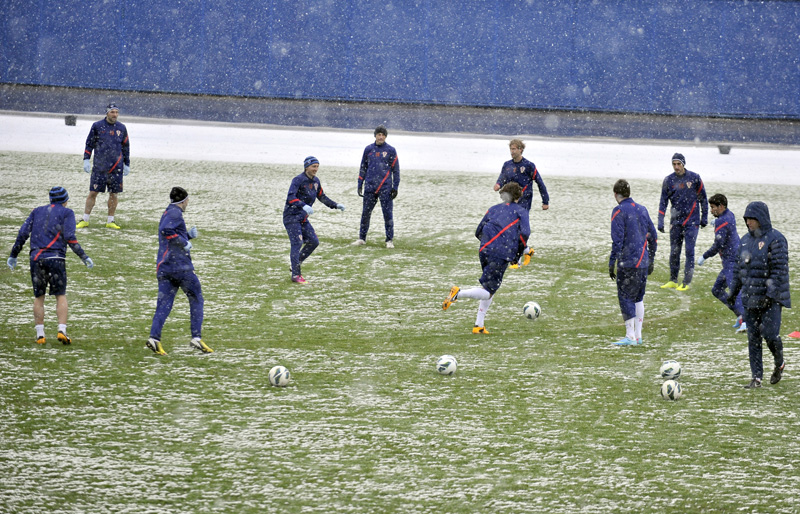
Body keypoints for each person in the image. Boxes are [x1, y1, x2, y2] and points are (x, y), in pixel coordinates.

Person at [7, 187, 94, 345]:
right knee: (60, 294)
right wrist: (83, 256)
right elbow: (69, 237)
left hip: (36, 258)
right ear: (65, 200)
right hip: (56, 259)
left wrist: (14, 254)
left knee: (39, 297)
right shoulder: (67, 213)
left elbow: (23, 233)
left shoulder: (37, 211)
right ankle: (62, 330)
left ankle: (40, 335)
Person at [442, 183, 530, 334]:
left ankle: (479, 325)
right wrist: (517, 252)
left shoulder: (493, 209)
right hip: (501, 253)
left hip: (485, 250)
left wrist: (489, 243)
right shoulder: (521, 211)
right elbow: (525, 234)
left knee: (489, 287)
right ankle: (458, 293)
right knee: (488, 291)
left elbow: (478, 231)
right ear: (518, 196)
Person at [727, 201, 790, 389]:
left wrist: (769, 296)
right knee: (753, 339)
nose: (748, 223)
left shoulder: (776, 239)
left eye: (752, 219)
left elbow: (779, 271)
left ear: (761, 218)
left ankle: (779, 362)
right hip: (750, 298)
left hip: (770, 300)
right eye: (746, 219)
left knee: (770, 335)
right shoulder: (745, 240)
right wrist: (734, 292)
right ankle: (756, 378)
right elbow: (740, 269)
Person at [146, 187, 213, 356]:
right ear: (183, 201)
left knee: (164, 304)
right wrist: (184, 242)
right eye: (187, 200)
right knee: (197, 297)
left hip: (164, 267)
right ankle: (196, 337)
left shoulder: (168, 212)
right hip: (180, 267)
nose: (188, 203)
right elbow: (166, 231)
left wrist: (187, 236)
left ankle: (154, 338)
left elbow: (170, 234)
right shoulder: (175, 213)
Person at [608, 179, 657, 345]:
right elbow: (653, 236)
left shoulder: (619, 211)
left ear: (616, 194)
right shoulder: (642, 209)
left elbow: (617, 240)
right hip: (642, 261)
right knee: (638, 298)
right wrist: (651, 258)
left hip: (628, 262)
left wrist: (612, 262)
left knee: (625, 296)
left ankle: (630, 336)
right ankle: (638, 335)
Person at [283, 156, 345, 284]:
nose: (315, 169)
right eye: (313, 166)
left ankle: (296, 263)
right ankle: (296, 275)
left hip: (303, 218)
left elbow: (322, 197)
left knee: (314, 241)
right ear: (306, 167)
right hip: (291, 216)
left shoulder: (316, 181)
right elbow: (290, 197)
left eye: (317, 166)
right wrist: (303, 205)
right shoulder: (298, 180)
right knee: (297, 243)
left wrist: (335, 205)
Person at [657, 152, 708, 291]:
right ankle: (673, 280)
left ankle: (686, 282)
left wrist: (704, 217)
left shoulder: (694, 178)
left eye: (678, 164)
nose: (676, 167)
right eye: (674, 164)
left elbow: (703, 198)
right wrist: (660, 221)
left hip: (692, 221)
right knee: (674, 251)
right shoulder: (668, 180)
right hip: (676, 222)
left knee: (689, 251)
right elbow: (663, 202)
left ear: (683, 164)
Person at [696, 194, 745, 332]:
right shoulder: (730, 215)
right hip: (734, 259)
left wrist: (704, 256)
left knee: (735, 291)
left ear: (721, 207)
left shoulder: (721, 222)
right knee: (717, 289)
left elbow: (718, 245)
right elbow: (728, 222)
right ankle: (740, 315)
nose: (711, 211)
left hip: (732, 261)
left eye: (713, 208)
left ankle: (746, 322)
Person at [78, 103, 131, 230]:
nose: (115, 115)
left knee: (114, 194)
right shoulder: (97, 126)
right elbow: (89, 143)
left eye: (117, 112)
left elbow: (126, 146)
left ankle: (110, 220)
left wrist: (126, 163)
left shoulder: (122, 128)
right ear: (107, 113)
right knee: (93, 192)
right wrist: (86, 159)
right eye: (112, 112)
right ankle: (85, 219)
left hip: (115, 167)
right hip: (100, 167)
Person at [353, 125, 399, 248]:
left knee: (387, 214)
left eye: (383, 135)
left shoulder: (391, 150)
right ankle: (362, 238)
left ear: (385, 136)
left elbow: (396, 170)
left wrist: (395, 187)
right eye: (379, 134)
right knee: (365, 213)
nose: (381, 137)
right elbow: (363, 167)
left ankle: (389, 240)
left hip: (385, 188)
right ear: (375, 135)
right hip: (370, 187)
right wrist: (360, 184)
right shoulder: (368, 149)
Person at [493, 138, 549, 212]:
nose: (512, 151)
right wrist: (498, 184)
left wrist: (545, 201)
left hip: (524, 202)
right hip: (509, 200)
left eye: (514, 149)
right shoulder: (507, 165)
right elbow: (502, 178)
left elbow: (540, 183)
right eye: (511, 149)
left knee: (520, 222)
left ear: (521, 150)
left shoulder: (529, 165)